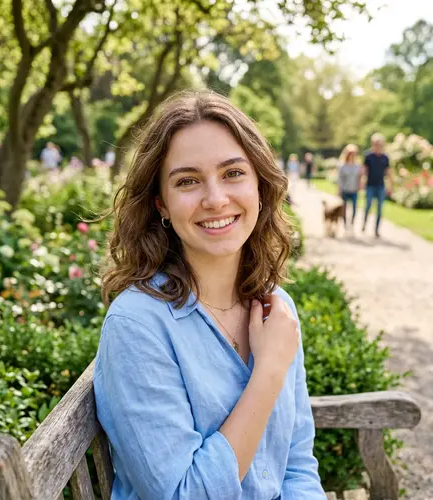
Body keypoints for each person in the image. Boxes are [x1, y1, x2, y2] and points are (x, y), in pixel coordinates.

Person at [93, 90, 325, 499]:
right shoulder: (137, 326)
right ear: (161, 203)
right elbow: (185, 494)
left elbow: (297, 466)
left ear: (259, 185)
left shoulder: (277, 311)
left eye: (233, 173)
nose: (216, 199)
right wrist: (268, 372)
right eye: (188, 181)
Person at [362, 133, 391, 238]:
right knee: (368, 206)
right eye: (376, 143)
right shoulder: (368, 156)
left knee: (379, 209)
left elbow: (388, 172)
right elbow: (364, 170)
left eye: (379, 143)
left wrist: (390, 186)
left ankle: (376, 230)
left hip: (380, 186)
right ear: (373, 144)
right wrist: (361, 182)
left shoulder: (385, 157)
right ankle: (364, 224)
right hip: (370, 185)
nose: (378, 145)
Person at [338, 144, 361, 232]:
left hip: (354, 190)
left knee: (355, 208)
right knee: (344, 208)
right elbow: (340, 179)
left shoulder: (357, 165)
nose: (352, 155)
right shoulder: (342, 165)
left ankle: (351, 223)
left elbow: (359, 177)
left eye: (354, 153)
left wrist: (360, 185)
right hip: (345, 190)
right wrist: (339, 190)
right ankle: (345, 224)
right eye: (351, 153)